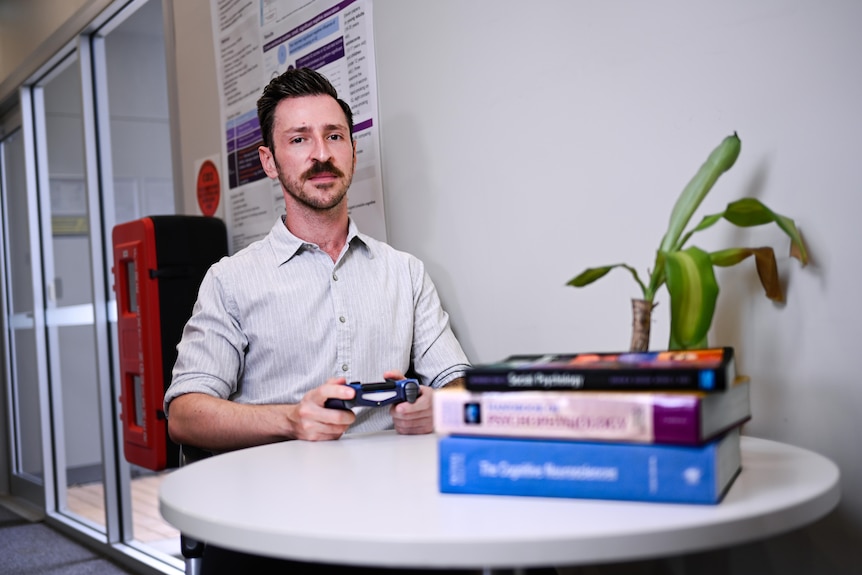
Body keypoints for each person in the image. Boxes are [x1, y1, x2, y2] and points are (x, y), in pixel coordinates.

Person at [163, 67, 474, 574]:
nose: (321, 154)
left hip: (390, 512)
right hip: (270, 521)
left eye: (334, 136)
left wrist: (439, 406)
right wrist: (290, 419)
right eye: (299, 139)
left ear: (352, 150)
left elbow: (459, 382)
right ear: (269, 160)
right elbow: (185, 414)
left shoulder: (405, 272)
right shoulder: (231, 281)